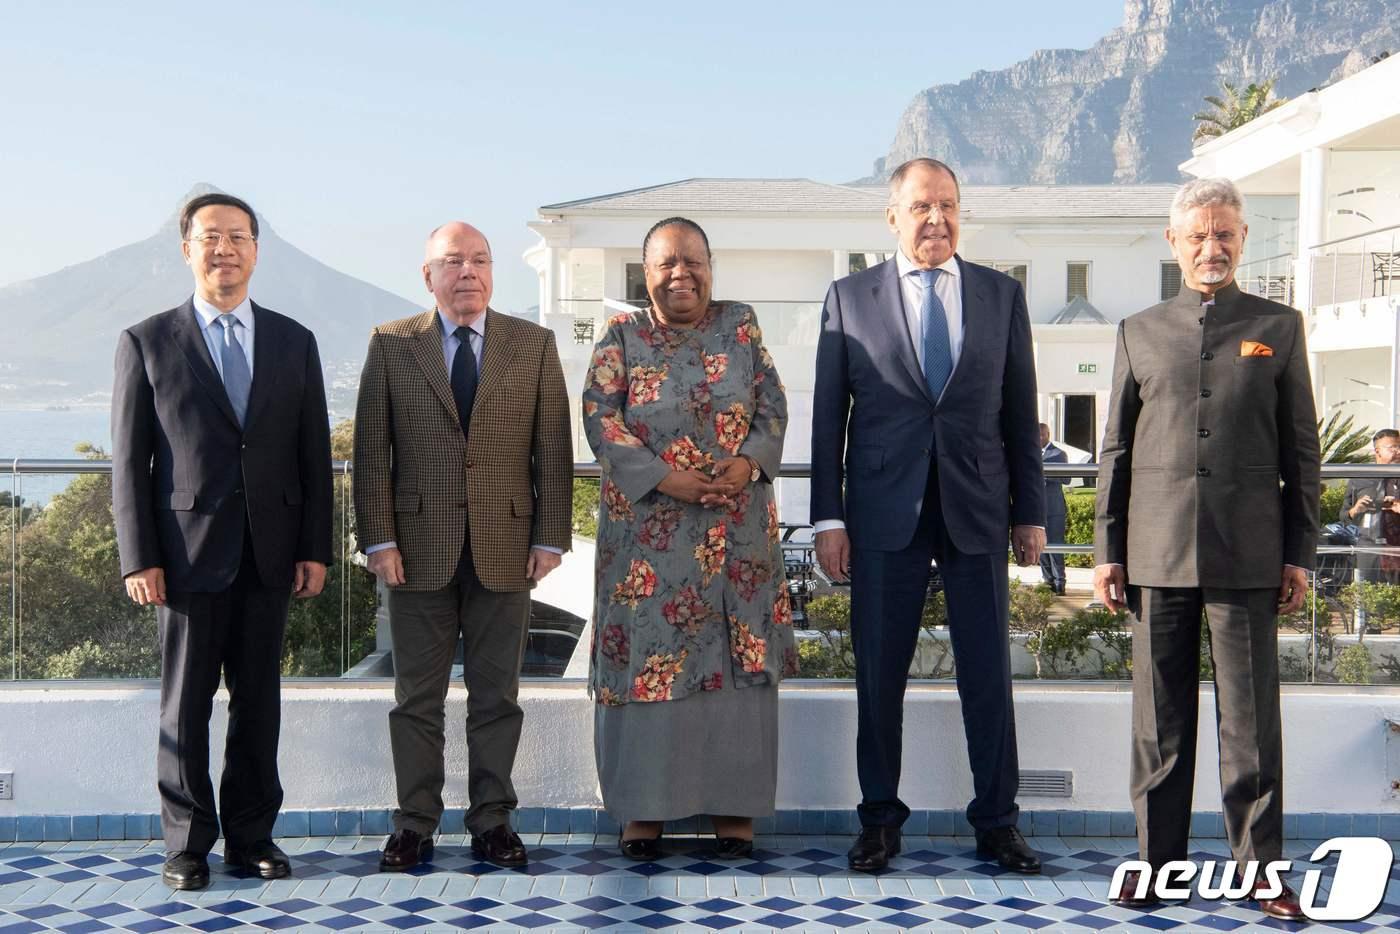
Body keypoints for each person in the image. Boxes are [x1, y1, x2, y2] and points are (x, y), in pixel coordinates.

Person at [1093, 177, 1320, 920]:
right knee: (1159, 723)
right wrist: (1107, 550)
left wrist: (1300, 553)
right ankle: (1157, 867)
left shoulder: (1279, 327)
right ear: (1174, 243)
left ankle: (1259, 872)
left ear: (1243, 239)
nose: (1211, 248)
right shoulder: (1138, 329)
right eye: (1198, 236)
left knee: (1251, 724)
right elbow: (1116, 452)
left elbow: (1303, 451)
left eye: (1224, 234)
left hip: (1250, 553)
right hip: (1156, 553)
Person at [811, 158, 1046, 874]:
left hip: (978, 510)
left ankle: (997, 822)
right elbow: (829, 422)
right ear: (893, 217)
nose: (936, 219)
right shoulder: (849, 298)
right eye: (921, 207)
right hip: (884, 515)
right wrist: (829, 519)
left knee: (988, 678)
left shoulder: (1002, 296)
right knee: (879, 677)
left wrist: (1029, 513)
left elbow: (1019, 412)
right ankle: (879, 820)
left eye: (947, 205)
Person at [112, 192, 333, 891]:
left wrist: (316, 548)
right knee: (184, 705)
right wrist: (138, 557)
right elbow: (128, 463)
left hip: (271, 554)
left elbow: (312, 454)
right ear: (187, 249)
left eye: (238, 236)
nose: (224, 249)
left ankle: (251, 837)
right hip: (181, 559)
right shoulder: (146, 341)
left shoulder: (295, 341)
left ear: (257, 250)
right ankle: (185, 844)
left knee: (258, 703)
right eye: (210, 237)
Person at [352, 222, 572, 871]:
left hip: (508, 544)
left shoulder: (532, 344)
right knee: (415, 698)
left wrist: (551, 536)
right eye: (453, 261)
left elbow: (553, 449)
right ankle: (414, 823)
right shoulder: (392, 345)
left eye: (479, 260)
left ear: (493, 272)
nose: (468, 272)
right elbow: (371, 454)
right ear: (430, 277)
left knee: (496, 695)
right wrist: (379, 539)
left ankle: (492, 820)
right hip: (415, 549)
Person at [583, 216, 793, 861]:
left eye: (693, 261)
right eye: (667, 263)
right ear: (645, 273)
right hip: (647, 541)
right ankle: (643, 812)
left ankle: (735, 810)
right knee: (648, 662)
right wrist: (666, 479)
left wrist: (750, 462)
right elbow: (599, 417)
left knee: (736, 665)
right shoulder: (620, 336)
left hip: (736, 537)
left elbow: (772, 405)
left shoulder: (742, 326)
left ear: (710, 265)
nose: (682, 273)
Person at [1342, 428, 1400, 588]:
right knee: (1366, 600)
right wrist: (1356, 510)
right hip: (1368, 548)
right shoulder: (1361, 477)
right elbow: (1344, 516)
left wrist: (1396, 506)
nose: (1398, 451)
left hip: (1397, 549)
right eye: (1393, 447)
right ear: (1378, 451)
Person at [1039, 424, 1069, 594]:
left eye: (1042, 435)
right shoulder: (1032, 453)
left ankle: (1060, 583)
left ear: (1048, 435)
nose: (1039, 439)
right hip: (1037, 508)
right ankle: (1047, 581)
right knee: (1040, 547)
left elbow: (1067, 479)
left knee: (1056, 546)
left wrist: (1045, 476)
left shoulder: (1059, 453)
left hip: (1054, 507)